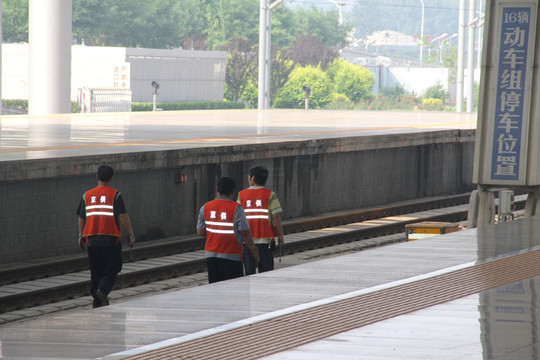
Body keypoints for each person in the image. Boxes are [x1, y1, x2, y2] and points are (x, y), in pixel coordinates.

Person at [76, 165, 135, 308]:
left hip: (91, 239)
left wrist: (80, 235)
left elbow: (82, 218)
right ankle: (102, 291)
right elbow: (122, 215)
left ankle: (97, 303)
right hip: (110, 238)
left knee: (96, 271)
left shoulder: (87, 195)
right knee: (113, 267)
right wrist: (130, 233)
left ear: (97, 177)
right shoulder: (116, 195)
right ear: (111, 179)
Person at [197, 176, 259, 284]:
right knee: (233, 289)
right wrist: (253, 249)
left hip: (211, 256)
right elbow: (244, 232)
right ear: (233, 191)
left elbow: (201, 232)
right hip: (231, 256)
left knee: (215, 288)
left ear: (217, 189)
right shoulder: (236, 209)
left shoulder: (205, 207)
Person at [237, 165, 284, 275]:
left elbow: (237, 218)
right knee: (266, 274)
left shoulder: (241, 195)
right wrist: (280, 235)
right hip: (265, 242)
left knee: (249, 273)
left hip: (247, 242)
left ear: (252, 178)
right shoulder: (270, 195)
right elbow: (276, 217)